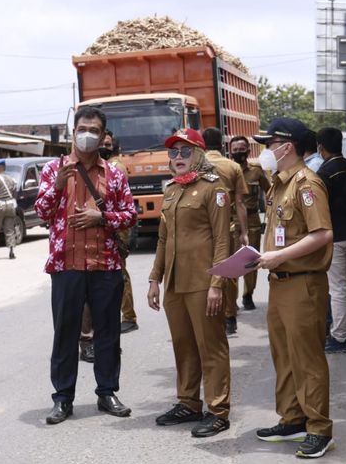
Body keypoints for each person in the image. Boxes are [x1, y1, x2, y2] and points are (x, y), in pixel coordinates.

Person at [35, 106, 137, 425]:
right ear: (73, 132)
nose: (88, 134)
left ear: (104, 135)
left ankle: (106, 392)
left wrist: (102, 217)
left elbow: (131, 214)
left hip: (105, 264)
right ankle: (63, 398)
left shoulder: (115, 173)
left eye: (94, 129)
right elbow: (40, 213)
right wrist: (57, 188)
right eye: (82, 128)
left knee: (108, 333)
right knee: (65, 333)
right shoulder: (54, 169)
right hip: (66, 264)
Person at [252, 117, 334, 459]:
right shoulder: (278, 183)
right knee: (284, 355)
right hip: (280, 282)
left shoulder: (306, 183)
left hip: (303, 283)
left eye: (270, 143)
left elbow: (323, 234)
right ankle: (292, 418)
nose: (266, 150)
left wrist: (280, 255)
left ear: (288, 146)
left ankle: (319, 428)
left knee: (307, 359)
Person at [147, 128, 232, 438]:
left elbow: (223, 240)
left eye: (185, 151)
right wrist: (155, 278)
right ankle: (188, 403)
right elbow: (163, 238)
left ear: (199, 154)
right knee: (184, 347)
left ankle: (218, 410)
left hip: (203, 281)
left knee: (211, 346)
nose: (178, 157)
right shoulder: (170, 190)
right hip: (175, 283)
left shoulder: (214, 188)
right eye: (173, 152)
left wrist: (217, 283)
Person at [316, 127, 346, 353]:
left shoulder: (323, 173)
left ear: (320, 148)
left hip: (335, 236)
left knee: (338, 287)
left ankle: (340, 335)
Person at [202, 127, 249, 335]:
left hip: (203, 228)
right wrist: (244, 231)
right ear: (222, 145)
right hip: (228, 227)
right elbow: (240, 203)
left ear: (202, 145)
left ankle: (209, 314)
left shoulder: (196, 166)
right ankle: (230, 315)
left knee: (205, 270)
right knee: (228, 272)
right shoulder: (233, 167)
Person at [101, 131, 138, 333]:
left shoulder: (115, 167)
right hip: (111, 224)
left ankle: (129, 316)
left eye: (107, 144)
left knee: (120, 272)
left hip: (116, 226)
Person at [229, 135, 270, 309]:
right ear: (230, 152)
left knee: (251, 260)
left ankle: (248, 295)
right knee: (230, 261)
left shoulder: (257, 170)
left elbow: (271, 192)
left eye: (242, 149)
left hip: (252, 220)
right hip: (230, 221)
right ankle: (232, 300)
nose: (239, 153)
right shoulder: (227, 170)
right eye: (235, 150)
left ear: (248, 150)